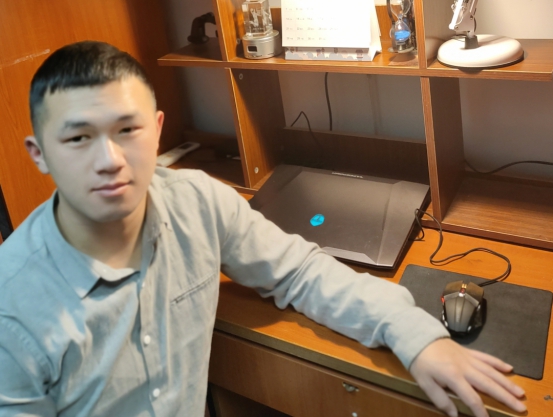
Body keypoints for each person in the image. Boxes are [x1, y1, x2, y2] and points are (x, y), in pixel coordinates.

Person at [0, 41, 526, 417]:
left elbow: (299, 271)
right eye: (78, 139)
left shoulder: (196, 201)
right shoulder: (13, 309)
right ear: (39, 153)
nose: (110, 160)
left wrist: (413, 332)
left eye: (127, 129)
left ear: (156, 130)